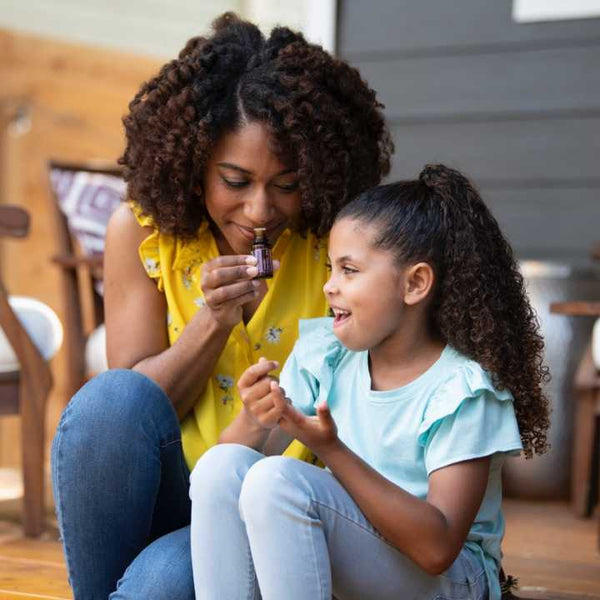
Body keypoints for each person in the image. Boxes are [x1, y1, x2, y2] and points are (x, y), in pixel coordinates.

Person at [50, 12, 393, 600]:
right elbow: (131, 415)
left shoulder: (341, 239)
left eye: (286, 184)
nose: (260, 211)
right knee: (109, 399)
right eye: (235, 181)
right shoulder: (141, 234)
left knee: (161, 584)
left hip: (271, 505)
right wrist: (212, 321)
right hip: (168, 488)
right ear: (192, 165)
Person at [189, 164, 551, 600]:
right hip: (366, 556)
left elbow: (437, 549)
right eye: (330, 268)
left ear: (414, 283)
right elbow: (231, 475)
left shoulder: (462, 390)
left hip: (451, 580)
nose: (329, 286)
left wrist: (331, 449)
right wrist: (253, 417)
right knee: (220, 465)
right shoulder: (327, 353)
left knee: (279, 481)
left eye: (349, 270)